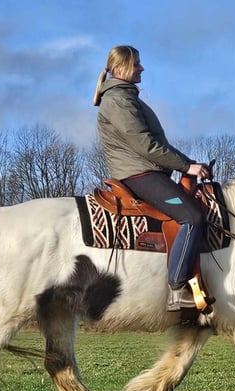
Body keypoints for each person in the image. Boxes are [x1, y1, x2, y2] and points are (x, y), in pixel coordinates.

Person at [93, 45, 210, 312]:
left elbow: (156, 143)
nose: (142, 68)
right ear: (121, 69)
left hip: (145, 169)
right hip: (138, 173)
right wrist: (186, 166)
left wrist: (190, 164)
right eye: (137, 64)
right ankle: (178, 288)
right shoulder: (119, 101)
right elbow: (146, 145)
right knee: (191, 217)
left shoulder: (126, 97)